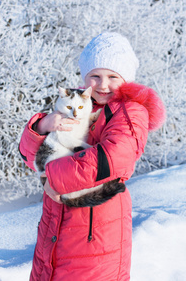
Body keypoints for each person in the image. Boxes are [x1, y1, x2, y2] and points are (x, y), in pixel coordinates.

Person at [19, 32, 166, 281]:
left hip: (95, 231)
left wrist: (53, 177)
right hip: (54, 225)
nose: (103, 85)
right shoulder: (77, 104)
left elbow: (116, 157)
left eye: (113, 76)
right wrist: (42, 127)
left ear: (126, 78)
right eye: (95, 76)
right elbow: (31, 158)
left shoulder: (130, 111)